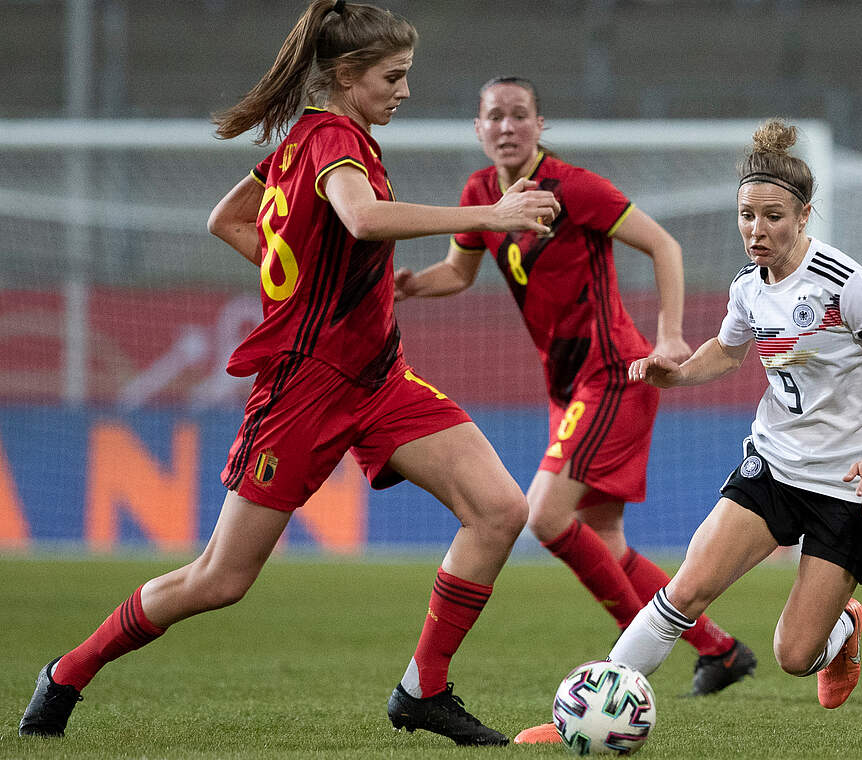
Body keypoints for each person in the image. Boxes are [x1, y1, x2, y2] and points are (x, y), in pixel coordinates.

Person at [18, 0, 561, 746]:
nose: (404, 91)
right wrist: (491, 218)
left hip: (376, 379)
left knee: (501, 510)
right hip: (303, 391)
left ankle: (422, 690)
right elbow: (363, 219)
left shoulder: (306, 136)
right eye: (393, 77)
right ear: (346, 75)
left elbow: (228, 220)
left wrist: (318, 290)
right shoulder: (335, 137)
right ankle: (68, 672)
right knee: (220, 580)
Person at [519, 118, 862, 744]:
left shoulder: (848, 287)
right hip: (775, 467)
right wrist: (675, 374)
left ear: (804, 216)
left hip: (850, 489)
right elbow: (729, 350)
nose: (756, 231)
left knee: (795, 655)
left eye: (772, 217)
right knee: (687, 589)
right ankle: (575, 719)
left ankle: (841, 631)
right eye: (746, 216)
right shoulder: (748, 287)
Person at [393, 77, 757, 725]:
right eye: (494, 116)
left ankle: (631, 659)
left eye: (519, 115)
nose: (507, 126)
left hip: (613, 374)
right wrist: (412, 286)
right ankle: (720, 651)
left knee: (546, 517)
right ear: (479, 129)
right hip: (570, 389)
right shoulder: (479, 194)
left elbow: (664, 246)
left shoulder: (573, 188)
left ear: (539, 125)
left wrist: (670, 336)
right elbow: (459, 271)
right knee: (603, 537)